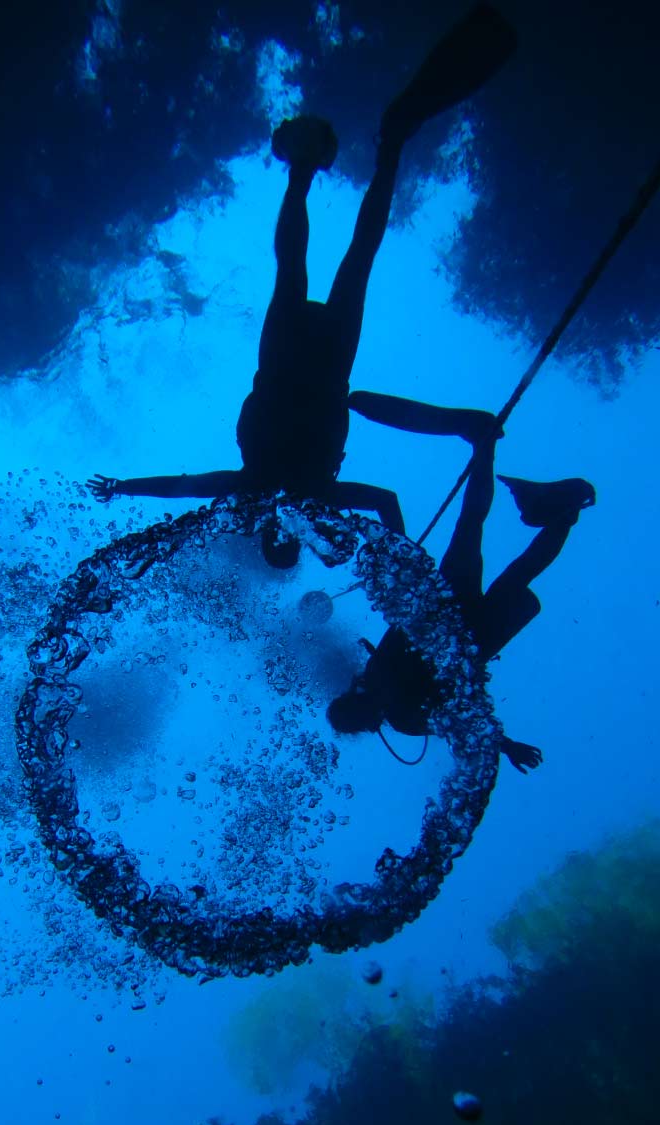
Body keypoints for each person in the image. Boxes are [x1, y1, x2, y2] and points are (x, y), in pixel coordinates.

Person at [87, 6, 518, 565]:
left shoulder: (288, 493)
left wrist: (397, 549)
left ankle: (371, 152)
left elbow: (189, 487)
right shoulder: (282, 493)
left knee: (346, 262)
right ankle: (316, 165)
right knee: (304, 267)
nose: (284, 527)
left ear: (277, 534)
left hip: (310, 366)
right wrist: (395, 548)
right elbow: (194, 486)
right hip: (302, 366)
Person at [326, 421, 595, 771]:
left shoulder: (390, 700)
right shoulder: (401, 712)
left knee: (486, 542)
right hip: (463, 624)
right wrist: (506, 745)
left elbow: (460, 723)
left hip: (456, 617)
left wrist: (506, 745)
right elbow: (460, 722)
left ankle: (523, 478)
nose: (360, 696)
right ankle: (555, 505)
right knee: (484, 539)